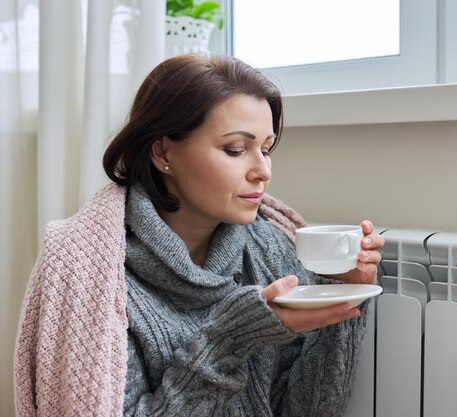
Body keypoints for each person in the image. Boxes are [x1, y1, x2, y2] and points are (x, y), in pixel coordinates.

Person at [14, 54, 384, 417]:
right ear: (163, 153)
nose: (262, 170)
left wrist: (340, 300)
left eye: (266, 149)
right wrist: (230, 338)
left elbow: (306, 410)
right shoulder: (91, 277)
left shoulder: (269, 248)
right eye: (236, 149)